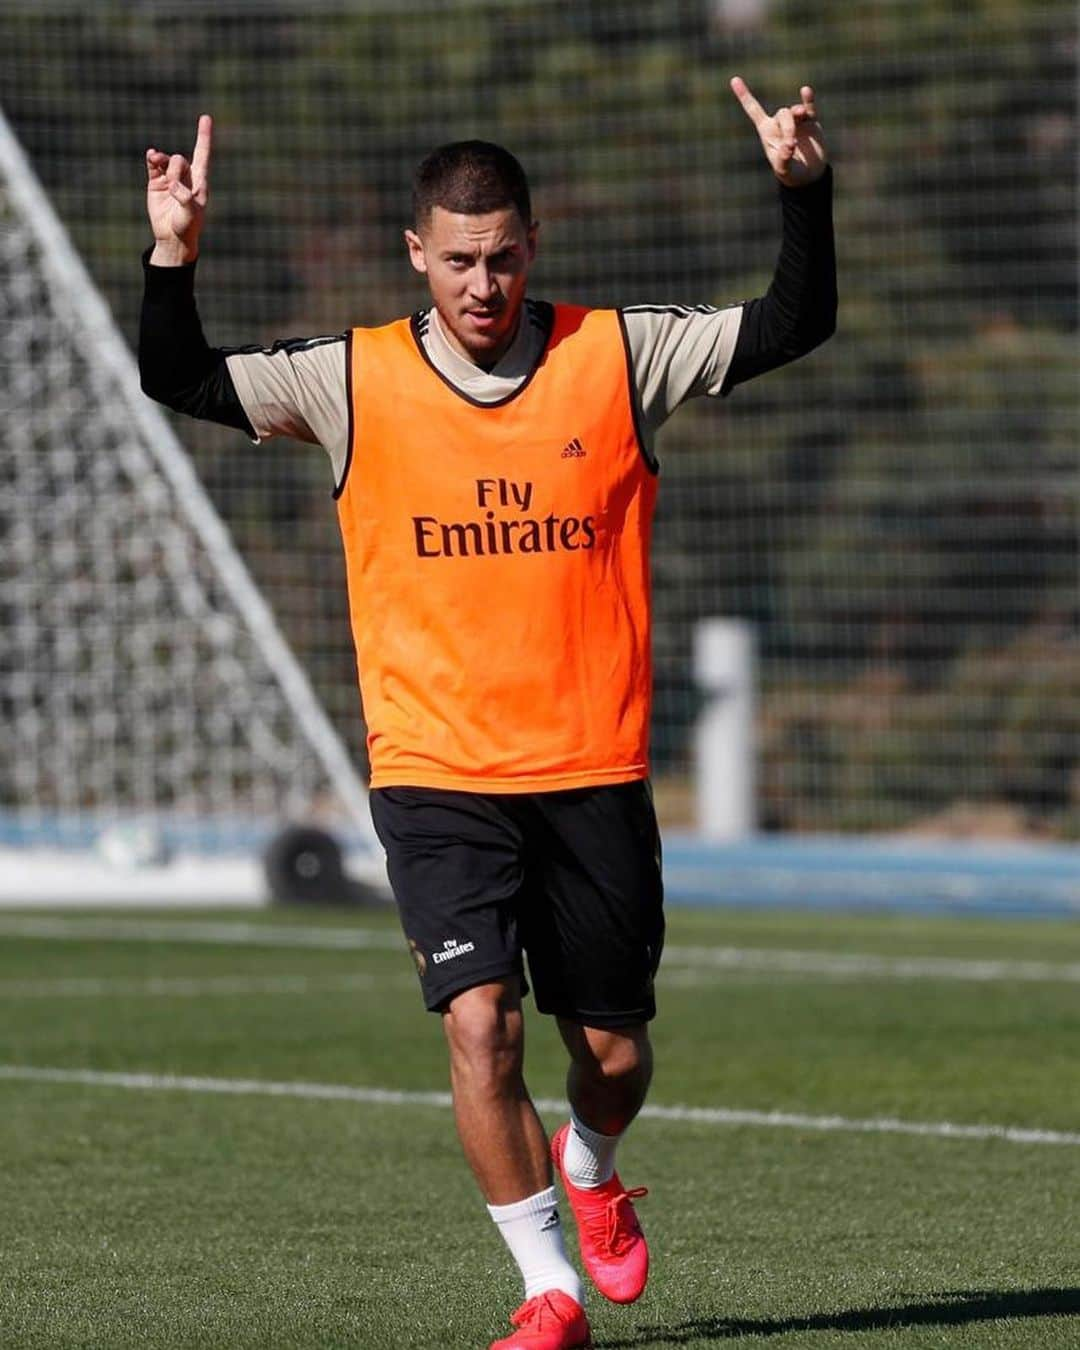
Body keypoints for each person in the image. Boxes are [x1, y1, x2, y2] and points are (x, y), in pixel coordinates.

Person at [140, 76, 835, 1350]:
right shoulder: (352, 377)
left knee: (613, 1056)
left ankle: (593, 1161)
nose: (482, 284)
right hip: (435, 772)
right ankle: (547, 1288)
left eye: (504, 258)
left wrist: (804, 194)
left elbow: (792, 323)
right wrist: (171, 254)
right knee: (479, 1022)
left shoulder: (615, 355)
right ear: (418, 253)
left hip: (590, 769)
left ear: (535, 244)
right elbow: (177, 376)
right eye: (458, 260)